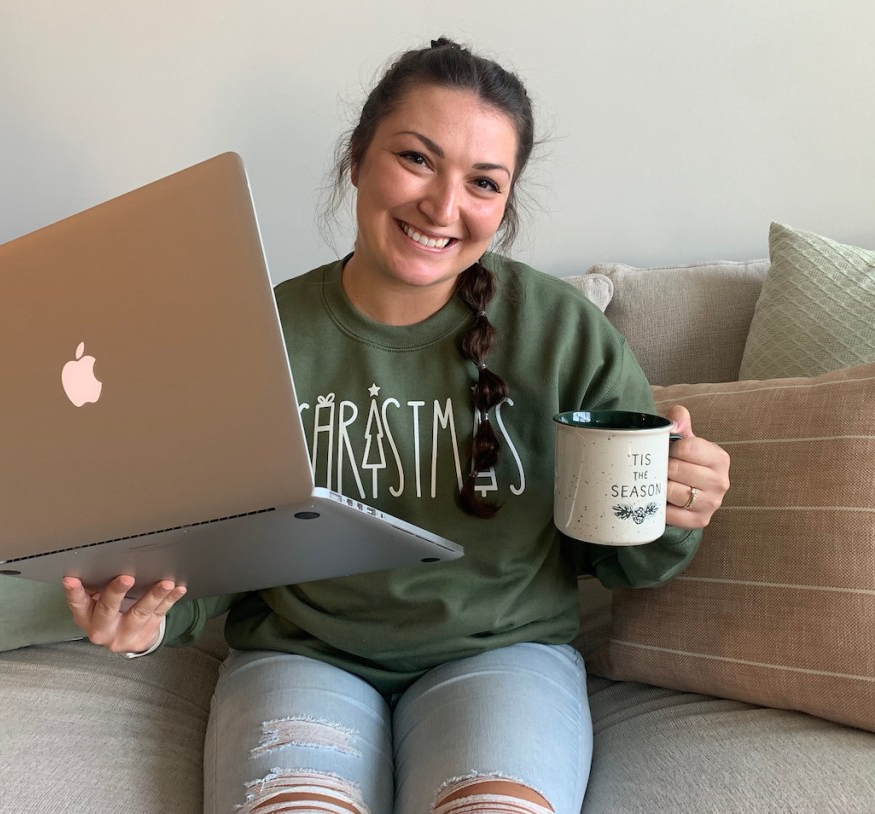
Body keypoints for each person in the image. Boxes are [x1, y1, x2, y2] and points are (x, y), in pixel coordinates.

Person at [63, 38, 731, 814]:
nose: (444, 208)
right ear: (358, 158)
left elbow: (626, 564)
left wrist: (675, 505)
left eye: (482, 182)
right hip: (303, 657)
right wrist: (138, 618)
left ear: (504, 204)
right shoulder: (259, 334)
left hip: (504, 657)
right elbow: (206, 563)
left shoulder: (562, 334)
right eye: (417, 159)